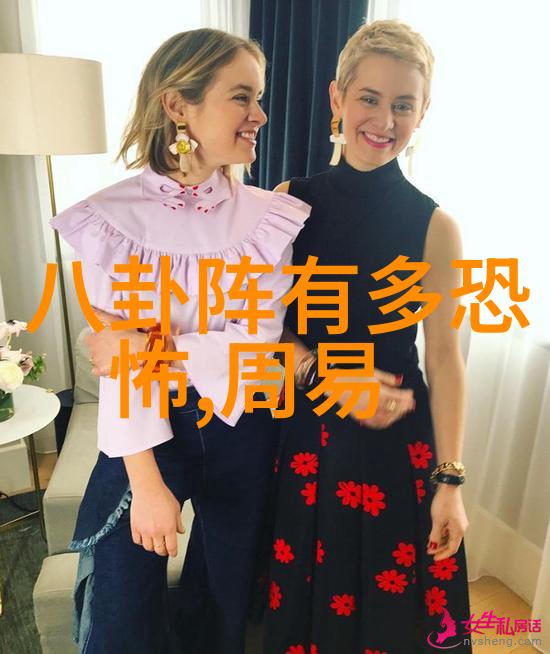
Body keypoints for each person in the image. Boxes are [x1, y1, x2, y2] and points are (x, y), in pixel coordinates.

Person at [51, 28, 310, 654]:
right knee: (119, 617)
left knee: (223, 608)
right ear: (178, 106)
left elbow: (254, 345)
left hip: (241, 425)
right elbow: (122, 365)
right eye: (242, 97)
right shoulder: (106, 220)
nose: (260, 115)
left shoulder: (268, 219)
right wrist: (145, 484)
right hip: (146, 437)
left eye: (259, 97)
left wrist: (146, 349)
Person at [264, 20, 472, 654]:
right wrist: (324, 374)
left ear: (423, 112)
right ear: (337, 98)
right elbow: (263, 330)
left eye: (403, 104)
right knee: (309, 609)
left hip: (397, 438)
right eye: (369, 99)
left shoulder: (436, 226)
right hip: (309, 432)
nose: (384, 120)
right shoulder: (288, 203)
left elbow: (445, 357)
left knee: (394, 616)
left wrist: (451, 481)